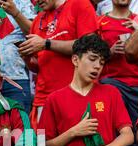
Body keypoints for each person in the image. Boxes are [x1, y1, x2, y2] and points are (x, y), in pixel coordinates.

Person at [38, 34, 134, 146]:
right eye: (92, 59)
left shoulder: (111, 93)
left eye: (102, 62)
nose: (97, 66)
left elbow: (128, 135)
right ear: (75, 59)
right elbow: (43, 144)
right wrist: (73, 132)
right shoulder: (54, 99)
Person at [17, 0, 98, 128]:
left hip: (76, 96)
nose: (36, 1)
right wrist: (27, 58)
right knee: (43, 145)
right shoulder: (38, 20)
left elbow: (90, 46)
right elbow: (38, 66)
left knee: (77, 145)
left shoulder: (80, 4)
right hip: (44, 99)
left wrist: (46, 44)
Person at [97, 0, 138, 125]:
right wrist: (109, 52)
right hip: (112, 82)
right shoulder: (99, 21)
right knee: (117, 127)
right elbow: (90, 55)